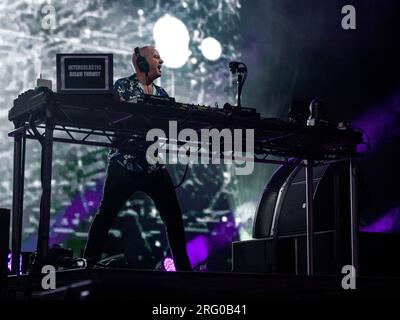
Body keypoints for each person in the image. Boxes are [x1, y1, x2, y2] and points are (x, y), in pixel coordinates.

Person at [83, 46, 192, 271]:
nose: (161, 60)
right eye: (156, 57)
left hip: (152, 166)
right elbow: (113, 117)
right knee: (106, 215)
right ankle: (87, 264)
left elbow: (170, 127)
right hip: (124, 164)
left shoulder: (162, 96)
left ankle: (184, 271)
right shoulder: (122, 86)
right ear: (141, 63)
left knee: (173, 217)